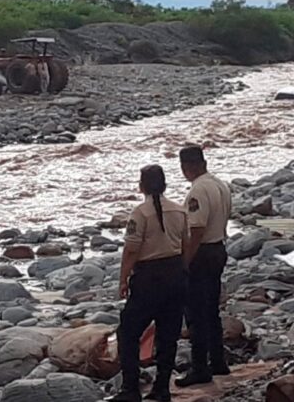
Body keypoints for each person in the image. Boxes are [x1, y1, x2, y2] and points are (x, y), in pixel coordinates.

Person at [110, 165, 190, 402]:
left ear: (142, 185)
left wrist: (123, 278)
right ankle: (162, 387)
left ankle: (130, 388)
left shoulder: (140, 213)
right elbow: (185, 245)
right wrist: (182, 272)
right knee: (168, 334)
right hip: (175, 275)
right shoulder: (179, 211)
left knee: (128, 332)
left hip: (149, 278)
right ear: (164, 185)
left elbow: (131, 250)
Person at [175, 146, 232, 388]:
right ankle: (218, 361)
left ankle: (200, 368)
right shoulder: (220, 185)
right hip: (218, 247)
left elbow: (196, 229)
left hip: (203, 253)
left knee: (196, 313)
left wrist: (185, 261)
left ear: (187, 167)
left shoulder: (198, 190)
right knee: (211, 309)